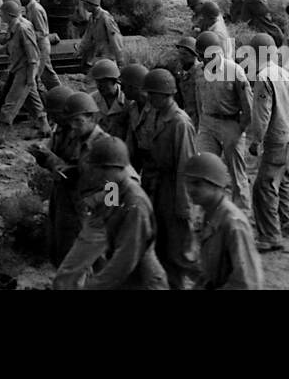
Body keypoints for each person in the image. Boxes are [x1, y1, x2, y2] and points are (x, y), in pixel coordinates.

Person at [52, 136, 167, 290]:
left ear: (113, 168)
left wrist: (93, 286)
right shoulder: (114, 188)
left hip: (144, 282)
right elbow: (101, 223)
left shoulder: (135, 204)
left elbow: (125, 260)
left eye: (98, 169)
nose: (94, 175)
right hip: (127, 279)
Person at [29, 90, 112, 265]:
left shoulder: (101, 143)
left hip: (84, 201)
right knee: (61, 246)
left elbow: (91, 176)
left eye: (56, 114)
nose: (54, 118)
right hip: (64, 196)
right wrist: (43, 156)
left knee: (87, 254)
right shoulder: (62, 131)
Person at [132, 68, 198, 289]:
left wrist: (184, 206)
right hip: (154, 186)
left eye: (152, 94)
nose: (148, 98)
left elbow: (185, 166)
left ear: (166, 94)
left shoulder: (180, 123)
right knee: (158, 245)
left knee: (176, 250)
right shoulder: (153, 113)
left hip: (172, 190)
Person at [183, 153, 264, 290]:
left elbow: (248, 283)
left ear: (216, 185)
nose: (190, 189)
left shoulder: (234, 224)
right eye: (188, 183)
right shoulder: (207, 214)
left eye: (197, 183)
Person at [247, 32, 289, 252]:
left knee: (263, 186)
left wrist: (256, 140)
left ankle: (270, 235)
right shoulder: (283, 73)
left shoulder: (263, 76)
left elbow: (262, 113)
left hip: (275, 138)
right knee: (283, 178)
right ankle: (287, 221)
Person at [194, 29, 252, 208]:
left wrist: (239, 128)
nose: (205, 60)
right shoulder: (198, 72)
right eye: (202, 57)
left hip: (230, 123)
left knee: (236, 173)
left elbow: (248, 106)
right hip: (207, 123)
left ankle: (241, 213)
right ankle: (209, 211)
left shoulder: (234, 71)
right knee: (205, 169)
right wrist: (201, 123)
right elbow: (198, 100)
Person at [0, 0, 50, 143]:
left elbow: (33, 54)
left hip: (25, 69)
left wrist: (30, 76)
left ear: (9, 14)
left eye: (2, 14)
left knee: (12, 100)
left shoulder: (23, 28)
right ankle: (44, 126)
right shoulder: (14, 26)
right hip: (19, 67)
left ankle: (2, 132)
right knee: (32, 99)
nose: (0, 16)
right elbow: (10, 44)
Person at [15, 0, 60, 90]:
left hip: (41, 46)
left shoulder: (35, 9)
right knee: (47, 74)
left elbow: (42, 32)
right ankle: (58, 93)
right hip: (37, 45)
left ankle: (58, 95)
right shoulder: (30, 8)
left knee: (37, 76)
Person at [75, 0, 126, 67]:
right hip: (98, 53)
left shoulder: (105, 17)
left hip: (108, 55)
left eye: (86, 4)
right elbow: (87, 36)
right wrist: (80, 50)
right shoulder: (92, 18)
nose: (84, 7)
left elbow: (115, 38)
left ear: (92, 4)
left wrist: (120, 59)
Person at [89, 59, 129, 140]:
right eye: (97, 82)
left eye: (103, 82)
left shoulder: (127, 99)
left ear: (114, 81)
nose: (99, 86)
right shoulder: (91, 100)